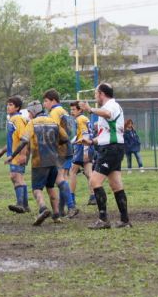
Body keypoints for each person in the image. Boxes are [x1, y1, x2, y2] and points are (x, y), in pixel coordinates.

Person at [6, 101, 68, 226]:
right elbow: (65, 138)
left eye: (29, 112)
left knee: (36, 189)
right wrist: (55, 146)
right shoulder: (53, 121)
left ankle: (43, 208)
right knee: (51, 187)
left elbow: (23, 141)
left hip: (39, 161)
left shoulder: (32, 123)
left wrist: (12, 156)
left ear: (33, 112)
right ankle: (56, 215)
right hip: (53, 160)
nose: (28, 115)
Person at [80, 82, 131, 229]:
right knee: (116, 185)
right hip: (111, 148)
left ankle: (103, 220)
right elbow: (105, 134)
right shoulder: (108, 107)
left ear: (101, 94)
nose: (95, 96)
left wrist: (90, 109)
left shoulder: (111, 106)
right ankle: (125, 220)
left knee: (94, 181)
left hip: (110, 149)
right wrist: (91, 142)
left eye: (96, 93)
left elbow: (108, 114)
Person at [43, 89, 78, 218]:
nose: (44, 104)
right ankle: (63, 210)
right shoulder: (64, 111)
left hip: (59, 149)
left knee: (59, 179)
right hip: (68, 147)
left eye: (46, 101)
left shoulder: (54, 112)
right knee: (63, 177)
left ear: (53, 100)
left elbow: (53, 130)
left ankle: (71, 206)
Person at [0, 96, 30, 213]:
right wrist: (1, 152)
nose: (8, 107)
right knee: (16, 177)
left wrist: (23, 155)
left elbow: (23, 139)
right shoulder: (12, 120)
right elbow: (12, 140)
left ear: (17, 107)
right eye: (8, 104)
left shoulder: (17, 119)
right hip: (13, 153)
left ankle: (21, 204)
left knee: (16, 177)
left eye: (11, 105)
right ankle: (25, 205)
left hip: (18, 154)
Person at [69, 101, 96, 206]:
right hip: (89, 146)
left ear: (80, 110)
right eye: (70, 110)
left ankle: (71, 199)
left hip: (83, 147)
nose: (71, 112)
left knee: (72, 171)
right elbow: (82, 134)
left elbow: (85, 135)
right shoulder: (84, 118)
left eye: (73, 109)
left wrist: (84, 151)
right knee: (89, 173)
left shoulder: (80, 119)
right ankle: (93, 196)